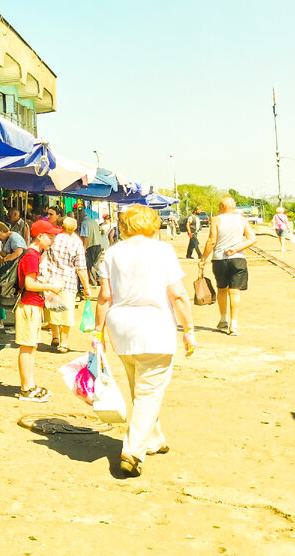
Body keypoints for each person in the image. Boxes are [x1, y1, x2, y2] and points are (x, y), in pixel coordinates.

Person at [95, 204, 195, 477]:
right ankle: (132, 451)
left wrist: (97, 332)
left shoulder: (112, 252)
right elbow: (178, 294)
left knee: (141, 388)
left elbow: (105, 296)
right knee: (149, 391)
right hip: (154, 327)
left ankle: (154, 439)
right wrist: (189, 328)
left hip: (121, 328)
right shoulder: (161, 250)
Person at [14, 219, 64, 402]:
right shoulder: (32, 256)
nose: (52, 240)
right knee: (27, 347)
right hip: (29, 305)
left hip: (32, 304)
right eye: (50, 237)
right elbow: (29, 284)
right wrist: (50, 287)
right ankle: (26, 388)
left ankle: (30, 384)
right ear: (40, 236)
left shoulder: (33, 255)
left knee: (31, 346)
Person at [199, 196, 257, 335]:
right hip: (238, 259)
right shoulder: (242, 220)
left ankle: (223, 320)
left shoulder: (216, 219)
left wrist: (203, 258)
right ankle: (234, 324)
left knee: (222, 289)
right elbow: (252, 238)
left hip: (220, 259)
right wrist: (236, 249)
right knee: (235, 291)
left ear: (222, 206)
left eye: (219, 205)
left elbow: (212, 241)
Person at [45, 217, 93, 353]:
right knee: (66, 312)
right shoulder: (76, 243)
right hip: (68, 281)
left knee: (53, 310)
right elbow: (81, 268)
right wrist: (87, 287)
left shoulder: (53, 239)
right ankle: (63, 343)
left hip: (52, 279)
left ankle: (54, 336)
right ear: (74, 229)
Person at [77, 208, 105, 280]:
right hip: (98, 244)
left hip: (90, 245)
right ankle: (98, 279)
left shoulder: (84, 223)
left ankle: (93, 282)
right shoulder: (93, 221)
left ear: (80, 216)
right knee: (96, 264)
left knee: (91, 265)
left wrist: (84, 247)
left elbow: (86, 236)